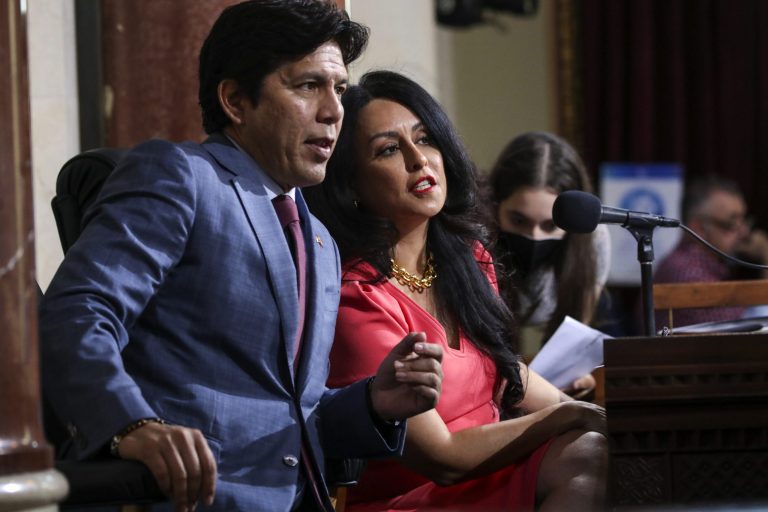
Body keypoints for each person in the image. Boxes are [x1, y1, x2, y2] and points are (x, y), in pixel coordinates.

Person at [39, 2, 444, 511]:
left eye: (339, 89)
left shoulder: (319, 238)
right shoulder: (181, 176)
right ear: (235, 100)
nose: (334, 110)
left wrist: (374, 403)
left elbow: (293, 413)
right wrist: (130, 425)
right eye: (306, 86)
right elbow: (76, 313)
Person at [304, 70, 608, 512]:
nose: (418, 160)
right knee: (588, 455)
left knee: (610, 445)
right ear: (351, 184)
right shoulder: (356, 296)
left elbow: (506, 375)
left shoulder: (468, 258)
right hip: (410, 498)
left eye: (425, 139)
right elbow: (442, 459)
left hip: (491, 476)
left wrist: (594, 412)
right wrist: (565, 416)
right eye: (389, 149)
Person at [487, 132, 611, 393]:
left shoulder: (593, 239)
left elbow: (574, 341)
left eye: (550, 225)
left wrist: (573, 376)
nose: (534, 236)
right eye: (519, 220)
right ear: (495, 205)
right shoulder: (476, 235)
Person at [654, 174, 768, 327]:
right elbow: (750, 331)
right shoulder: (689, 274)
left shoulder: (702, 266)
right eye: (732, 223)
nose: (744, 232)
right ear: (699, 228)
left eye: (744, 221)